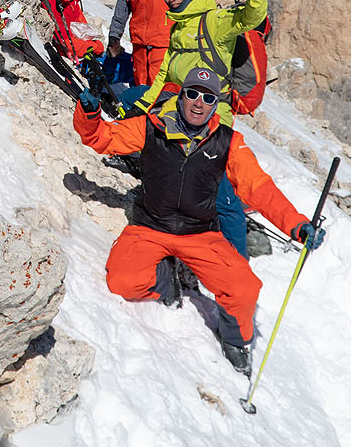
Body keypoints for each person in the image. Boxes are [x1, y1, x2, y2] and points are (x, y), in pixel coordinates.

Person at [74, 66, 325, 375]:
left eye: (208, 97)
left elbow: (257, 187)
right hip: (150, 227)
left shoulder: (228, 142)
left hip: (201, 235)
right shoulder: (150, 127)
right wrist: (89, 115)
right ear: (181, 96)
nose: (198, 103)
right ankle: (167, 280)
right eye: (192, 93)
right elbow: (102, 137)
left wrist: (296, 225)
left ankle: (234, 341)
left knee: (244, 288)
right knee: (122, 281)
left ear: (215, 104)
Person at [130, 0, 267, 123]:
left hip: (210, 111)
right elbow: (164, 76)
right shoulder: (179, 27)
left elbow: (248, 19)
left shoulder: (212, 21)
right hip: (181, 103)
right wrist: (143, 106)